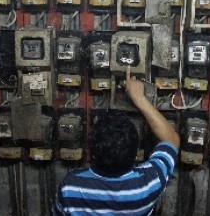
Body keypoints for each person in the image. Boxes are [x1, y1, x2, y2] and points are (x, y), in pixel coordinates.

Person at [53, 66, 180, 215]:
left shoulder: (70, 188)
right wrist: (140, 98)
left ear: (92, 152)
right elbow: (172, 139)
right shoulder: (148, 185)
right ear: (134, 155)